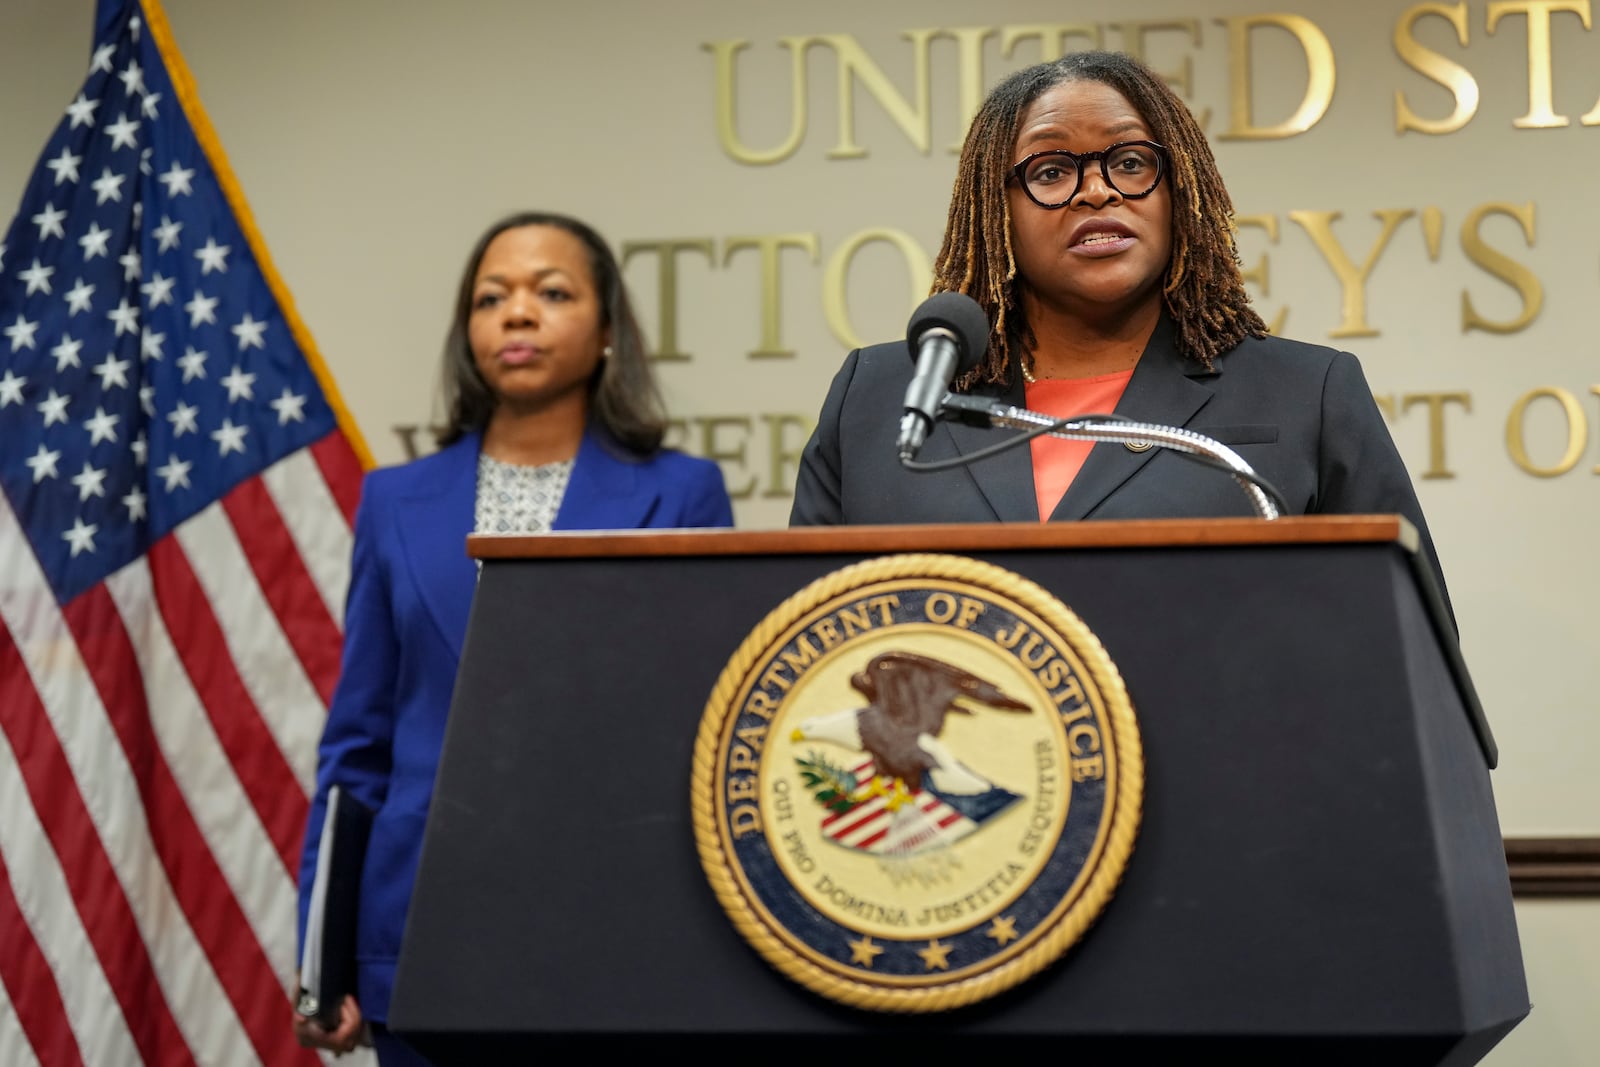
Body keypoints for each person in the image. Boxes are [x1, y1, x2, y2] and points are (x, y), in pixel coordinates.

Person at [293, 212, 734, 1063]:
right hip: (416, 930)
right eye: (491, 297)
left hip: (613, 935)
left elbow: (696, 736)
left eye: (552, 292)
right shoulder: (394, 500)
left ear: (609, 331)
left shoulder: (682, 492)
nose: (517, 313)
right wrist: (324, 953)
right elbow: (357, 745)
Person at [789, 50, 1449, 605]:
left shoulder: (1308, 393)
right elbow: (802, 642)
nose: (1097, 191)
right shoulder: (879, 398)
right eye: (1051, 171)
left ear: (1178, 190)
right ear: (997, 209)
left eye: (1131, 163)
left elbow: (1410, 650)